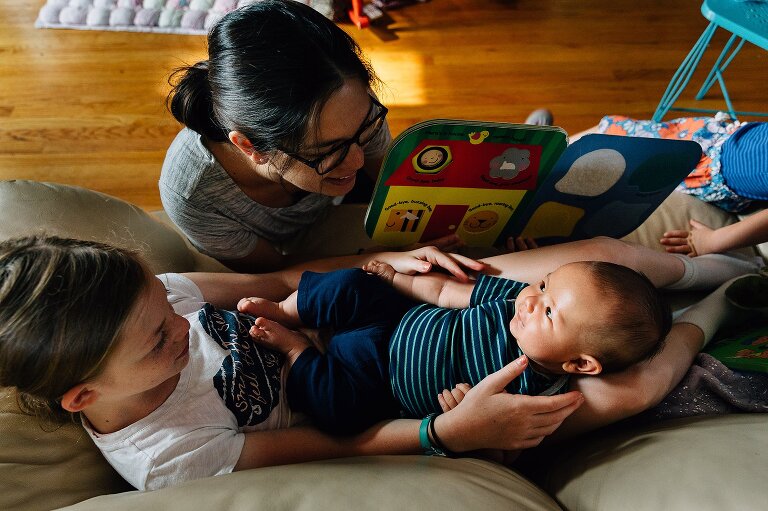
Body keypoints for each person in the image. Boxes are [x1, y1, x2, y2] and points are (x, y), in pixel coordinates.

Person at [0, 235, 585, 491]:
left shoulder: (152, 300)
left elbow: (282, 282)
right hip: (378, 386)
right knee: (600, 382)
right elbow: (344, 447)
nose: (184, 323)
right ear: (82, 396)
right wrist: (447, 434)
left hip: (362, 318)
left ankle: (677, 274)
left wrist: (382, 262)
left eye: (166, 303)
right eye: (158, 340)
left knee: (595, 265)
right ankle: (679, 340)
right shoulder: (169, 456)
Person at [160, 0, 465, 273]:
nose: (359, 160)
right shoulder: (194, 198)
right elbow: (277, 273)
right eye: (329, 151)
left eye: (364, 131)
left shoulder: (349, 108)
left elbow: (398, 187)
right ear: (250, 146)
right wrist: (373, 259)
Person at [238, 259, 671, 434]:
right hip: (393, 319)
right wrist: (396, 280)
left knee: (341, 411)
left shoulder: (539, 395)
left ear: (579, 362)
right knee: (353, 283)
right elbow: (446, 294)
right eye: (544, 283)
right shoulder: (512, 298)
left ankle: (298, 352)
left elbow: (502, 445)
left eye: (550, 311)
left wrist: (466, 415)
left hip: (377, 382)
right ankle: (288, 310)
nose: (532, 298)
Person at [565, 111, 768, 258]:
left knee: (611, 136)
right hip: (723, 140)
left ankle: (546, 151)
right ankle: (547, 149)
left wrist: (714, 241)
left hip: (708, 168)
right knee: (610, 135)